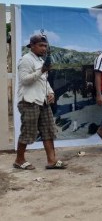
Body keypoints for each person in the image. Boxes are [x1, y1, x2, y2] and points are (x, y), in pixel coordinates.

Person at [13, 35, 67, 170]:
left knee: (48, 130)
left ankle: (52, 161)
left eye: (45, 46)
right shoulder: (26, 60)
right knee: (28, 131)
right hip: (29, 101)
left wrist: (51, 92)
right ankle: (19, 160)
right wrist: (42, 70)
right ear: (32, 45)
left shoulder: (39, 60)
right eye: (41, 46)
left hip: (42, 101)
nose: (44, 48)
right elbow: (24, 80)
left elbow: (43, 80)